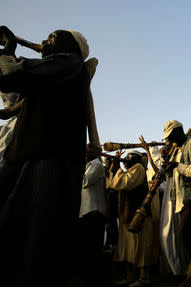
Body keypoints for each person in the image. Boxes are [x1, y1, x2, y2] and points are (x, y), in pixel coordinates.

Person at [0, 26, 91, 286]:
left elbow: (11, 74)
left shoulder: (68, 63)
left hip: (48, 161)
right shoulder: (59, 73)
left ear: (70, 48)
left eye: (52, 38)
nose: (43, 41)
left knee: (36, 239)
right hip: (37, 158)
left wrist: (7, 50)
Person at [162, 120, 191, 273]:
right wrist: (170, 166)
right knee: (189, 239)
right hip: (182, 201)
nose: (169, 140)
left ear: (178, 131)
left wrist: (178, 166)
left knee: (187, 236)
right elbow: (174, 175)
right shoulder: (177, 150)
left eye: (170, 136)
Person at [109, 150, 155, 287]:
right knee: (127, 247)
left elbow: (121, 183)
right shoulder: (129, 171)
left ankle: (144, 278)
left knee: (141, 247)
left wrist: (117, 167)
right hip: (128, 216)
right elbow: (113, 184)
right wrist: (116, 166)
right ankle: (129, 277)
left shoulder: (139, 169)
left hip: (139, 216)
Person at [79, 143, 107, 286]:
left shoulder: (96, 166)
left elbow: (85, 182)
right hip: (87, 212)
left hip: (94, 212)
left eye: (87, 152)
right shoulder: (89, 165)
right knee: (87, 248)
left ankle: (95, 279)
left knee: (93, 249)